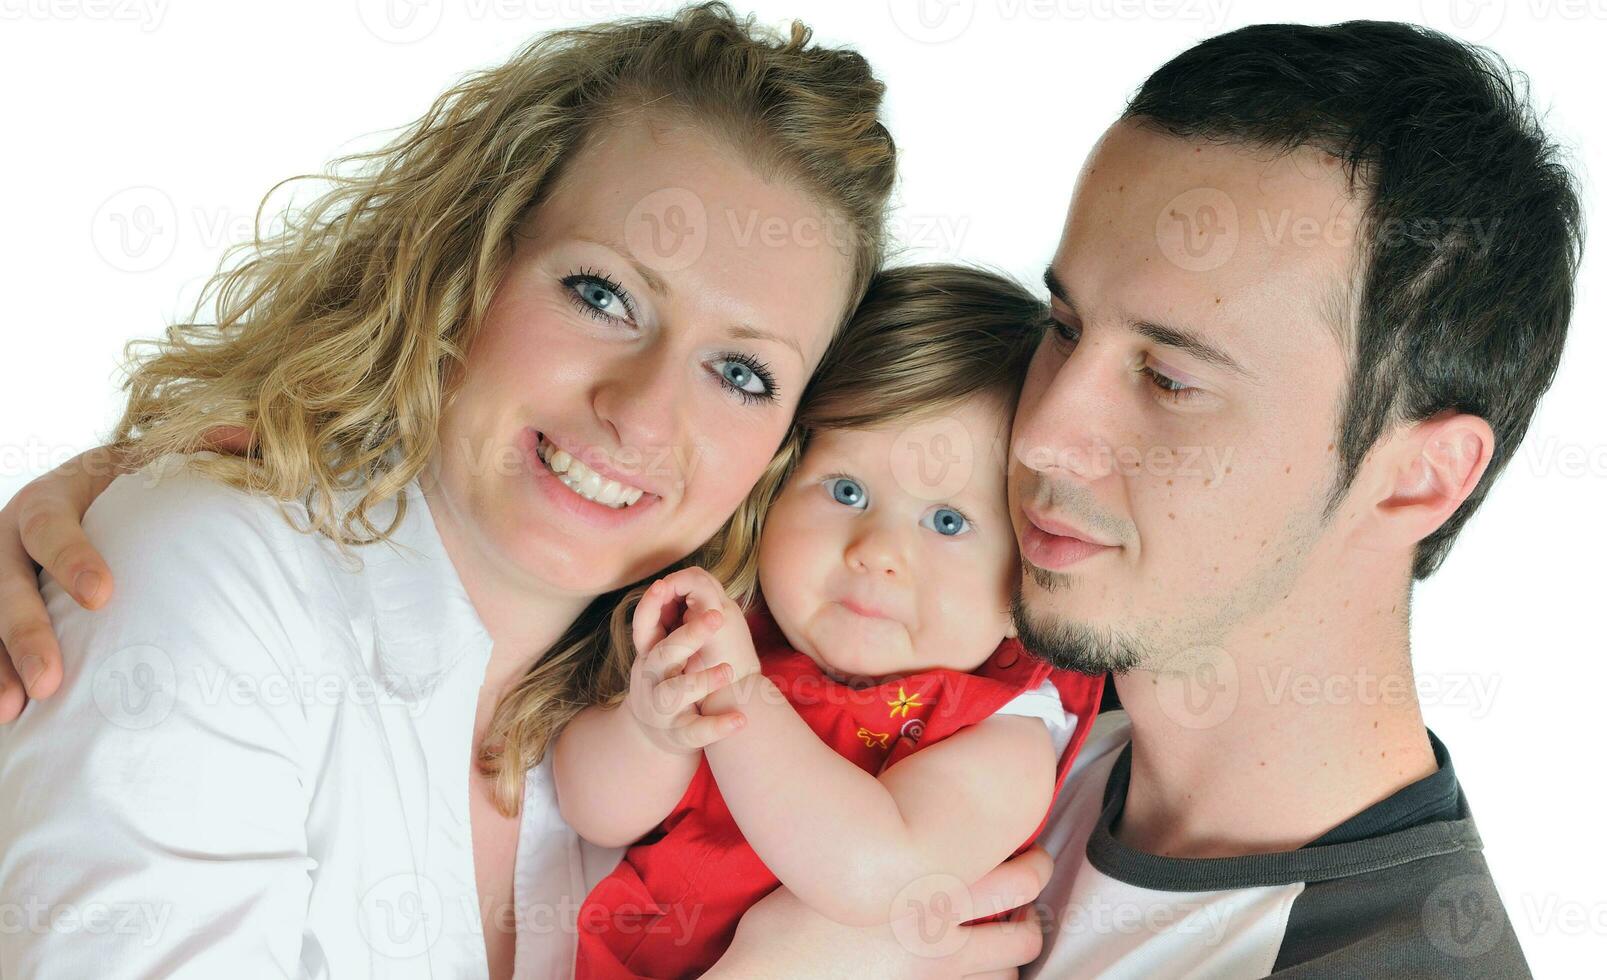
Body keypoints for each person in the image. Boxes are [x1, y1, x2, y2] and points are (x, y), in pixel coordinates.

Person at [4, 17, 1579, 980]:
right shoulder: (999, 687)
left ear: (1419, 470)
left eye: (1168, 377)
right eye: (1060, 328)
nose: (1042, 432)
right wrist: (176, 501)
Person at [0, 4, 917, 977]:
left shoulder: (698, 745)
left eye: (740, 374)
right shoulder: (209, 571)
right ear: (465, 260)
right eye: (602, 294)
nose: (643, 416)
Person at [555, 265, 1104, 978]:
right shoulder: (737, 630)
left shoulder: (1006, 731)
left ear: (1025, 581)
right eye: (845, 490)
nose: (876, 553)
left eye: (947, 521)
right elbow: (593, 813)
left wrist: (740, 695)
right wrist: (648, 733)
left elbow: (873, 875)